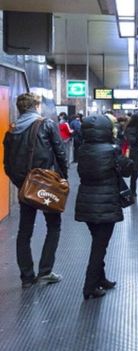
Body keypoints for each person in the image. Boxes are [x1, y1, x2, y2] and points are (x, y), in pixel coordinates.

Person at [2, 92, 68, 288]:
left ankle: (27, 277)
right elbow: (60, 153)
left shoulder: (11, 131)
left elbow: (6, 164)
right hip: (47, 185)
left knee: (24, 231)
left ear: (19, 108)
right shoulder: (46, 124)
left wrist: (21, 184)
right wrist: (63, 180)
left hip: (25, 187)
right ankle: (45, 272)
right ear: (36, 106)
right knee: (53, 227)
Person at [75, 114, 133, 299]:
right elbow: (127, 169)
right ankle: (89, 287)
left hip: (86, 203)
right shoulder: (112, 150)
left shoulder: (82, 149)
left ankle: (101, 279)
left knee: (97, 242)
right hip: (106, 203)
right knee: (99, 247)